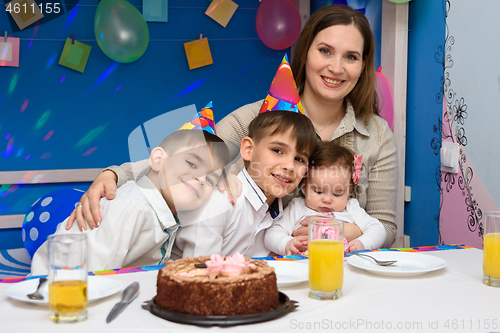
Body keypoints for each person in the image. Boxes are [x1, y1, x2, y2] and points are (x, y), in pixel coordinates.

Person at [69, 4, 398, 248]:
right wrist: (114, 174)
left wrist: (335, 230)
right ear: (306, 53)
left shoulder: (377, 135)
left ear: (363, 64)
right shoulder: (256, 119)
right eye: (325, 50)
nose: (336, 67)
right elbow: (184, 159)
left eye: (351, 56)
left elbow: (385, 224)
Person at [30, 107, 231, 275]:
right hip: (54, 291)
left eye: (211, 179)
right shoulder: (133, 207)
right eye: (192, 163)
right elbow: (93, 275)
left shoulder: (166, 215)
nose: (201, 179)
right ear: (158, 160)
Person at [171, 109, 317, 259]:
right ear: (248, 149)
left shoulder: (283, 216)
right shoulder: (220, 201)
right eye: (277, 150)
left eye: (299, 159)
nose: (290, 166)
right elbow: (198, 273)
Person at [264, 141, 386, 256]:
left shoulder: (351, 208)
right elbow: (271, 234)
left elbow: (378, 229)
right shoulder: (297, 207)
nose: (327, 200)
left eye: (337, 194)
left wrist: (363, 243)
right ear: (304, 187)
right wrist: (287, 244)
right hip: (302, 266)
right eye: (318, 191)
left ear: (349, 192)